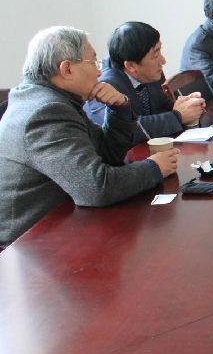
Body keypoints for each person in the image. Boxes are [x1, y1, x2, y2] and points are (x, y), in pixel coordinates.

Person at [0, 26, 179, 247]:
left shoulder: (53, 99)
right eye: (94, 63)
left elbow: (108, 155)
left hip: (63, 220)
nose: (99, 73)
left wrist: (120, 109)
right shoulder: (46, 111)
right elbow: (96, 188)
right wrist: (154, 167)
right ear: (67, 69)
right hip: (29, 242)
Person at [85, 21, 206, 144]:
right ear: (131, 66)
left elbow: (162, 104)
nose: (163, 61)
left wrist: (186, 104)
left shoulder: (150, 73)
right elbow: (127, 131)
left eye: (160, 50)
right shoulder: (105, 86)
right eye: (155, 55)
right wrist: (178, 116)